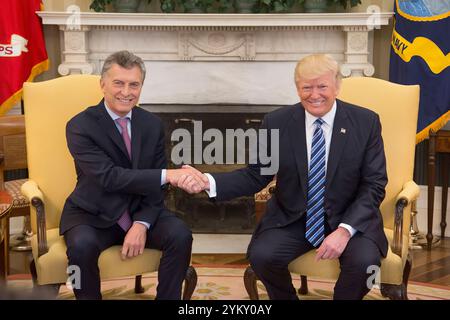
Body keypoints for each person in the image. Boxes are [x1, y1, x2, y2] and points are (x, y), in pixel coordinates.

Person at [178, 54, 389, 300]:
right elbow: (256, 175)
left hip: (349, 219)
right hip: (295, 219)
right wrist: (208, 181)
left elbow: (374, 185)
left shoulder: (366, 122)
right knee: (262, 257)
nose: (314, 94)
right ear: (297, 88)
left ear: (337, 86)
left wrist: (344, 231)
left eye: (322, 86)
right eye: (306, 87)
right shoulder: (277, 122)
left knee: (365, 264)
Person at [61, 50, 208, 300]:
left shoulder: (151, 124)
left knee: (180, 234)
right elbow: (110, 177)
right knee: (80, 246)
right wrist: (168, 175)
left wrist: (142, 223)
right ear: (103, 84)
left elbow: (156, 187)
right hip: (92, 213)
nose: (126, 92)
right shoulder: (79, 126)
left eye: (134, 84)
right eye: (118, 83)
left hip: (140, 209)